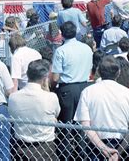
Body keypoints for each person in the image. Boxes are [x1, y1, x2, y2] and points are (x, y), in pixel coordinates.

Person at [74, 56, 129, 160]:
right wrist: (119, 152)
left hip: (96, 145)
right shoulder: (128, 94)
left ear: (99, 71)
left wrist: (103, 148)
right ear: (118, 72)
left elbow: (86, 126)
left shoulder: (87, 92)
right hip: (122, 144)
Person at [51, 21, 92, 159]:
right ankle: (82, 154)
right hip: (84, 87)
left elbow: (55, 77)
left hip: (67, 89)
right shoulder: (86, 48)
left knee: (66, 126)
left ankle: (65, 156)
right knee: (82, 123)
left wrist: (51, 90)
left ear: (62, 34)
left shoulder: (61, 51)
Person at [9, 59, 60, 160]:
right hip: (45, 149)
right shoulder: (51, 97)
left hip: (20, 148)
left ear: (27, 75)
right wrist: (46, 89)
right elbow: (56, 114)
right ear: (45, 78)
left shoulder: (13, 97)